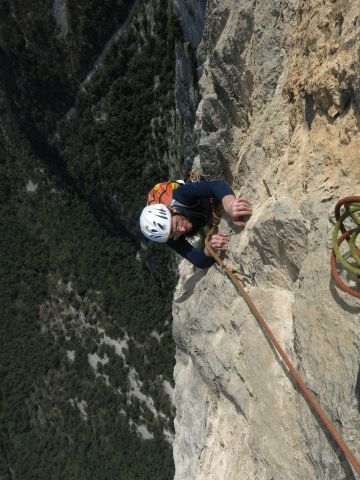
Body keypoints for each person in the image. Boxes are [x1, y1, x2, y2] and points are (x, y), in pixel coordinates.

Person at [139, 180, 252, 268]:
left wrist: (230, 204)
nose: (182, 230)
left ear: (172, 210)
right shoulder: (168, 235)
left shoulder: (182, 195)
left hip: (202, 204)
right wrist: (210, 248)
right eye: (175, 233)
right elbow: (199, 261)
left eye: (178, 223)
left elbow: (217, 186)